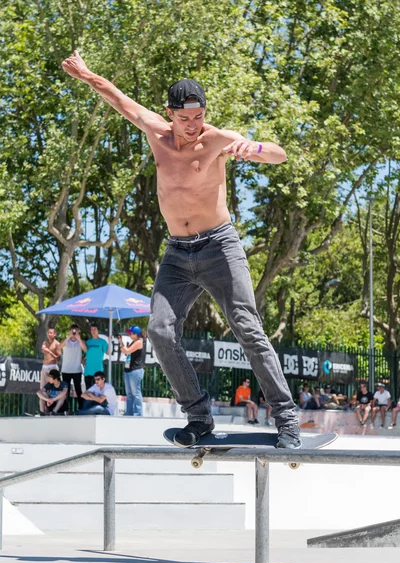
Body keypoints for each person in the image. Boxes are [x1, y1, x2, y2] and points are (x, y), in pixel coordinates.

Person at [61, 52, 300, 449]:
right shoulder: (156, 132)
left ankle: (287, 419)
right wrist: (86, 74)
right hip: (177, 253)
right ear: (168, 113)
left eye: (199, 117)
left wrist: (251, 148)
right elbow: (118, 98)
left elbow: (280, 154)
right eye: (184, 119)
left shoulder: (219, 139)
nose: (192, 127)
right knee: (158, 330)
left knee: (247, 326)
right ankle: (198, 416)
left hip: (220, 247)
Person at [118, 326, 145, 417]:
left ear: (136, 334)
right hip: (128, 370)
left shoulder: (138, 342)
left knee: (136, 393)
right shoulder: (133, 342)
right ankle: (128, 413)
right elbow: (125, 351)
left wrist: (121, 343)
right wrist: (121, 342)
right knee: (129, 394)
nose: (129, 334)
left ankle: (138, 414)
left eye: (131, 333)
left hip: (135, 370)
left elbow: (127, 350)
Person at [60, 324, 85, 410]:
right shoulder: (66, 340)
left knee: (78, 390)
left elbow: (85, 349)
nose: (74, 332)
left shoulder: (81, 341)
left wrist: (79, 339)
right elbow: (59, 347)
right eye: (72, 330)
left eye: (76, 330)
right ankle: (66, 409)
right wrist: (68, 337)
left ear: (78, 331)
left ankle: (81, 408)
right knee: (66, 391)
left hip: (77, 370)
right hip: (66, 370)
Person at [84, 322, 109, 390]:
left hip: (98, 371)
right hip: (88, 371)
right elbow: (84, 355)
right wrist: (83, 361)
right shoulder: (88, 342)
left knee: (98, 392)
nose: (93, 331)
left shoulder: (103, 342)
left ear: (98, 330)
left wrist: (110, 342)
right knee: (89, 392)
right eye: (92, 329)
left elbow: (108, 353)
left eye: (95, 329)